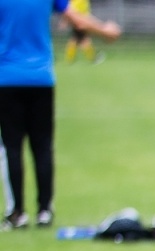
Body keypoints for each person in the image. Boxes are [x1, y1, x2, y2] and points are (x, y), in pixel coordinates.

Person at [0, 0, 119, 230]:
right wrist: (104, 30)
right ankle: (45, 210)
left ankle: (17, 213)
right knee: (43, 146)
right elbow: (76, 18)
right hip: (41, 77)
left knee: (12, 147)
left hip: (7, 77)